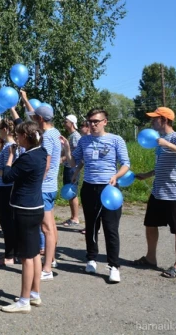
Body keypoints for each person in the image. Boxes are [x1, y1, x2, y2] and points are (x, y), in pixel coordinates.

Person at [60, 108, 130, 283]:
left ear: (105, 122)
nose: (92, 125)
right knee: (91, 226)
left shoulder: (116, 140)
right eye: (89, 121)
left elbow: (126, 164)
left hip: (109, 189)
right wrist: (68, 150)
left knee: (110, 227)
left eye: (95, 121)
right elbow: (74, 162)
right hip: (90, 188)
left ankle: (114, 266)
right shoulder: (84, 141)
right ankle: (91, 259)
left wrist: (116, 176)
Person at [133, 107, 176, 278]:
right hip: (158, 191)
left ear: (164, 120)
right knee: (150, 225)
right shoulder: (159, 139)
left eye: (155, 118)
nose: (151, 121)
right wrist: (148, 175)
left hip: (174, 193)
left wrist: (169, 145)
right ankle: (151, 258)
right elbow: (163, 165)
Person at [0, 121, 47, 313]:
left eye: (19, 135)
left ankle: (24, 300)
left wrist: (10, 157)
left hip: (24, 209)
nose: (17, 138)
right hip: (36, 208)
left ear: (26, 137)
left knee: (26, 257)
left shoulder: (26, 159)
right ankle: (35, 294)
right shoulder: (41, 153)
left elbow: (7, 177)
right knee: (34, 253)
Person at [21, 94, 61, 281]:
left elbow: (46, 162)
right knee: (50, 225)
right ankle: (50, 261)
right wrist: (25, 98)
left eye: (35, 117)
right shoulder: (54, 133)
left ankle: (46, 268)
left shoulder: (48, 137)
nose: (33, 119)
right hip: (49, 186)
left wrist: (36, 182)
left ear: (41, 120)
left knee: (46, 228)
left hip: (44, 187)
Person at [0, 118, 23, 266]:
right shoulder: (10, 146)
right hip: (9, 188)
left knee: (7, 223)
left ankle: (10, 256)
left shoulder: (10, 147)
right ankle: (14, 252)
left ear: (4, 130)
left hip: (6, 188)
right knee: (10, 222)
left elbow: (7, 171)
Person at [61, 115, 82, 228]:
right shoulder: (70, 136)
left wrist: (62, 159)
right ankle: (73, 216)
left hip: (72, 168)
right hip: (68, 167)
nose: (64, 123)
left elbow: (75, 153)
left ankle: (75, 218)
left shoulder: (75, 136)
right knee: (69, 192)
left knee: (71, 191)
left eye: (66, 121)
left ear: (72, 123)